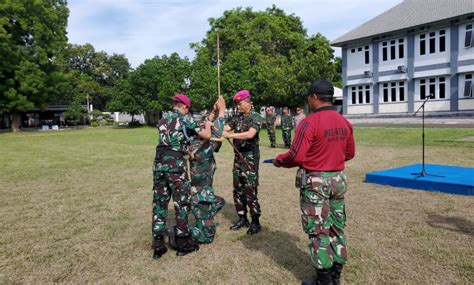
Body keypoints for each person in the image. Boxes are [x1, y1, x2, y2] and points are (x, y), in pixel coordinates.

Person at [272, 80, 355, 285]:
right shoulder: (344, 121)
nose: (308, 100)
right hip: (338, 179)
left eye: (309, 97)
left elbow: (296, 156)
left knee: (318, 228)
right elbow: (350, 153)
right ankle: (336, 272)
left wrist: (279, 161)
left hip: (316, 181)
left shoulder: (309, 122)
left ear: (315, 97)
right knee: (337, 225)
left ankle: (324, 279)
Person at [152, 94, 213, 259]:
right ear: (185, 107)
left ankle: (158, 245)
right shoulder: (185, 118)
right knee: (182, 204)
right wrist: (208, 123)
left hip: (158, 165)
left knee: (159, 204)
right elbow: (206, 135)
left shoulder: (163, 119)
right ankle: (182, 243)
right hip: (175, 167)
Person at [169, 96, 227, 247]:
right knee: (207, 237)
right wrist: (222, 111)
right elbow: (217, 132)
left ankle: (198, 217)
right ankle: (180, 232)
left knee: (219, 203)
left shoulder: (194, 142)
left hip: (199, 190)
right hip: (202, 193)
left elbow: (205, 127)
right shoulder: (202, 148)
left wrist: (213, 114)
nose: (201, 126)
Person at [223, 89, 263, 235]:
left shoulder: (256, 117)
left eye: (239, 104)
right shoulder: (236, 117)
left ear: (247, 102)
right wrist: (218, 119)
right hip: (238, 158)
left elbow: (250, 134)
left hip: (250, 159)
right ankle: (242, 218)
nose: (238, 107)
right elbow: (225, 127)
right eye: (237, 104)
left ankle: (255, 221)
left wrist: (230, 134)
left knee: (250, 189)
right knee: (238, 189)